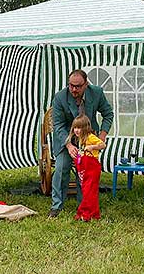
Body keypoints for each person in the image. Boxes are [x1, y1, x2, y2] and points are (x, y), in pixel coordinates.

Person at [48, 69, 114, 218]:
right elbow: (57, 125)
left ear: (86, 84)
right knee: (61, 168)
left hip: (88, 140)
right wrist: (69, 145)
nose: (74, 89)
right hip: (66, 140)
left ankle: (84, 204)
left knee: (86, 171)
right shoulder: (59, 97)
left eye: (78, 86)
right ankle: (56, 206)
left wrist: (102, 135)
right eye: (71, 85)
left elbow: (108, 114)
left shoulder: (96, 93)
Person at [67, 115, 106, 221]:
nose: (76, 130)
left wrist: (92, 147)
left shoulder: (90, 137)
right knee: (87, 191)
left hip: (92, 168)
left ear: (85, 128)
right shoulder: (80, 139)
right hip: (85, 169)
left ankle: (86, 213)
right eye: (75, 128)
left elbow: (103, 145)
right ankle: (92, 213)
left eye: (79, 128)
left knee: (89, 191)